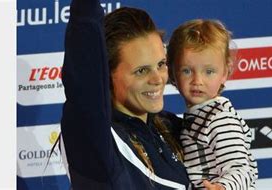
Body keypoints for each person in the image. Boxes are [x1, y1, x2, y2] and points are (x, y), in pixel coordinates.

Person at [60, 0, 190, 189]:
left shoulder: (172, 127)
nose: (157, 79)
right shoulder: (96, 140)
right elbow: (84, 74)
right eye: (141, 70)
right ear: (107, 76)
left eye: (161, 64)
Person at [167, 19, 259, 190]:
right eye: (187, 70)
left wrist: (222, 187)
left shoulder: (220, 119)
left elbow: (242, 169)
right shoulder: (198, 116)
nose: (197, 81)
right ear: (172, 73)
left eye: (208, 71)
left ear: (225, 73)